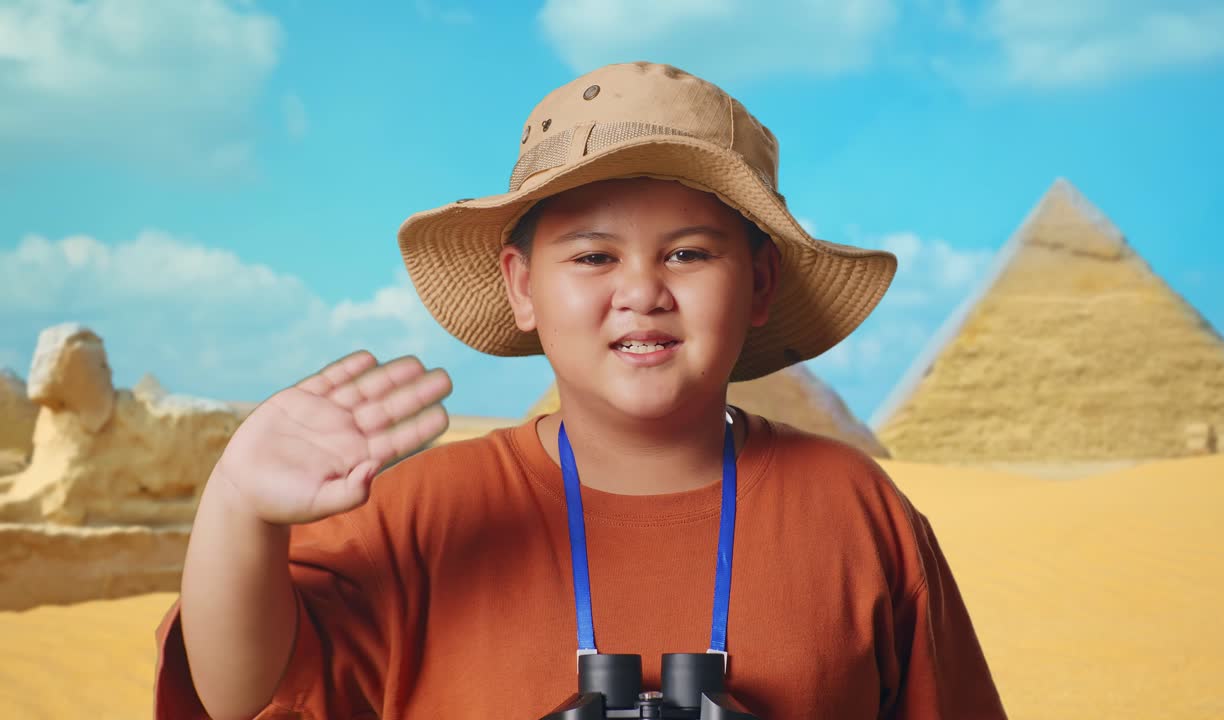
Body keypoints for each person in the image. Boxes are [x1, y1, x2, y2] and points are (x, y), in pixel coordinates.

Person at [152, 61, 1007, 719]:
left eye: (689, 254)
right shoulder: (423, 514)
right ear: (521, 286)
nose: (642, 290)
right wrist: (237, 504)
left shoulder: (857, 511)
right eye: (594, 256)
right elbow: (240, 695)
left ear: (759, 285)